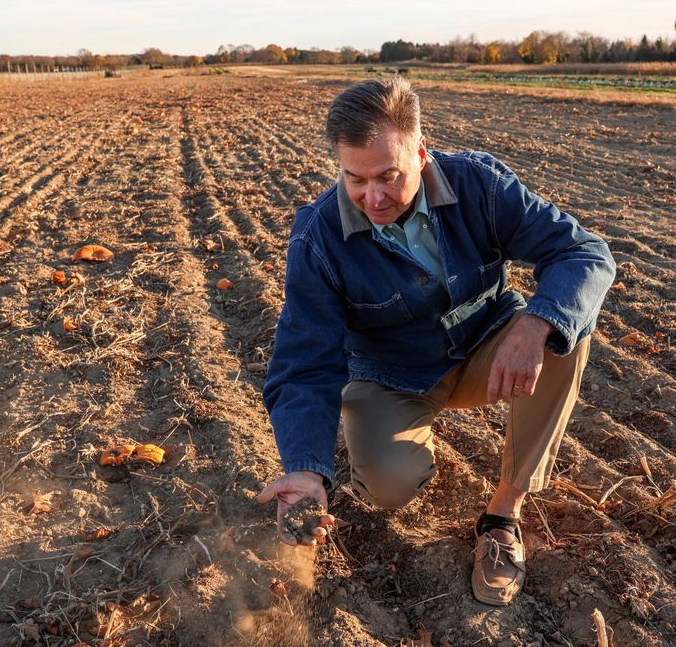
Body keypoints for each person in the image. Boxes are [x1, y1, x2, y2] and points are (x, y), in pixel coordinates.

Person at [256, 77, 615, 606]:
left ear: (421, 154)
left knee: (564, 333)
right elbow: (304, 363)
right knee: (390, 484)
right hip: (392, 374)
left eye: (388, 176)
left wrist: (536, 323)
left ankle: (501, 517)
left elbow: (584, 253)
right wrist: (307, 470)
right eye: (354, 179)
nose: (371, 197)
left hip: (484, 349)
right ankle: (395, 440)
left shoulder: (479, 185)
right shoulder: (318, 238)